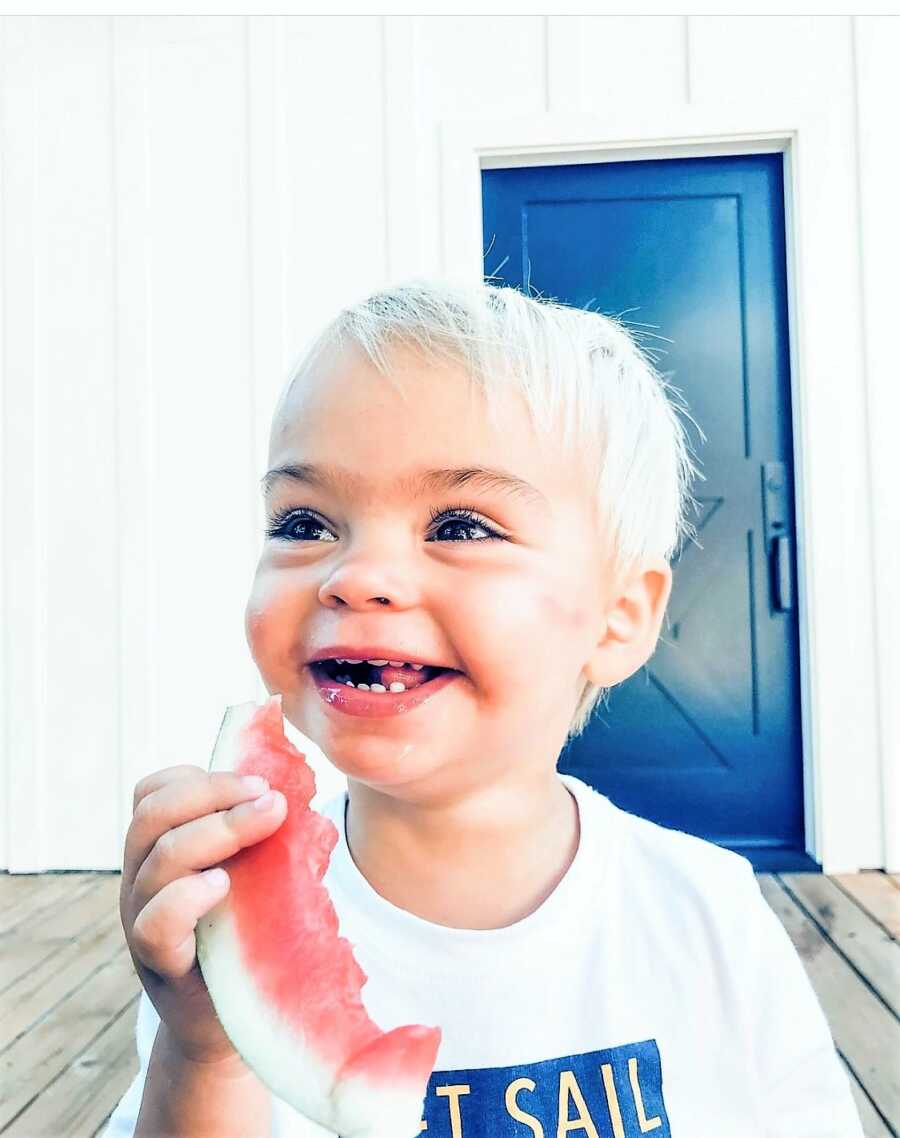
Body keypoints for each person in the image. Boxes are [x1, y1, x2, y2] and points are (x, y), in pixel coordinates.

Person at [104, 280, 864, 1138]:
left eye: (461, 526)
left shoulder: (710, 917)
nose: (355, 575)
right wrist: (203, 1053)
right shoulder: (220, 933)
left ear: (621, 617)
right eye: (305, 521)